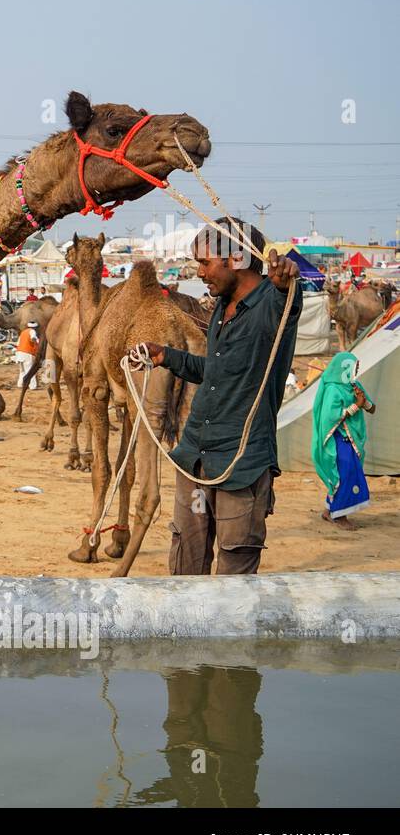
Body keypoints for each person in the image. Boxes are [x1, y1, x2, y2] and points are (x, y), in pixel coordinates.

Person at [142, 219, 302, 575]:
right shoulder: (222, 307)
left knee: (234, 579)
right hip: (195, 458)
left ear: (237, 259)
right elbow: (217, 373)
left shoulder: (273, 304)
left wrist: (286, 281)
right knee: (187, 561)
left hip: (240, 465)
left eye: (205, 262)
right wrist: (166, 356)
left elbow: (287, 297)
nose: (199, 272)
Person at [312, 352, 376, 530]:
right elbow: (329, 417)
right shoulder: (333, 389)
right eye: (354, 366)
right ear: (344, 367)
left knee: (347, 473)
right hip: (337, 439)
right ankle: (339, 516)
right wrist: (356, 405)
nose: (357, 370)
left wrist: (363, 402)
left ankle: (328, 511)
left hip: (352, 440)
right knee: (344, 474)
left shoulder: (354, 385)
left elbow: (372, 408)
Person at [15, 320, 40, 389]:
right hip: (27, 353)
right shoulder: (32, 331)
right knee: (29, 370)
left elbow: (17, 344)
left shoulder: (23, 332)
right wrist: (36, 344)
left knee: (22, 370)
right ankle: (33, 386)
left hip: (19, 353)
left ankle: (20, 384)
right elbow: (33, 338)